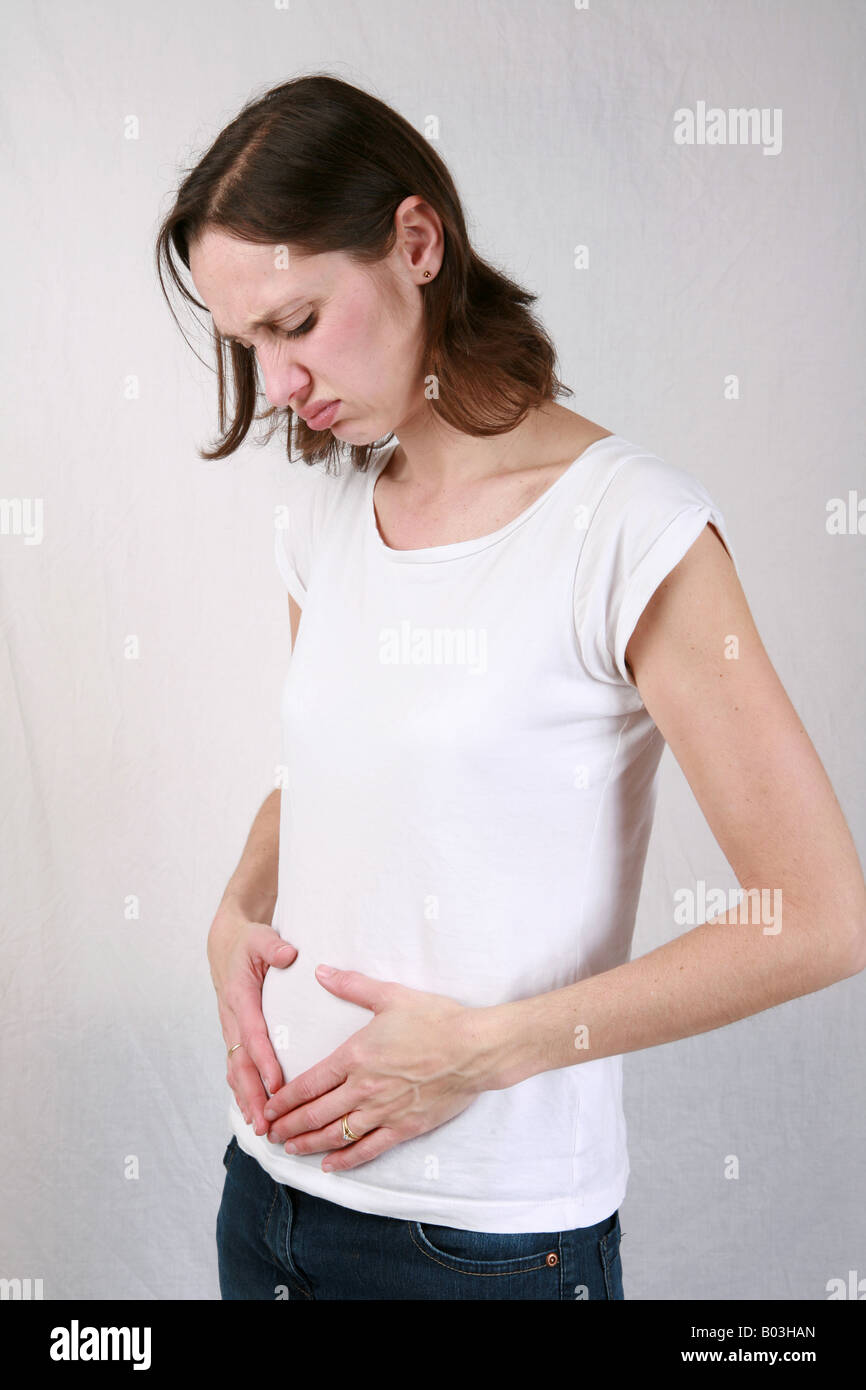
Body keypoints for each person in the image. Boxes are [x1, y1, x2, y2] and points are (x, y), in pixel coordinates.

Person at [155, 74, 866, 1302]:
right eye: (247, 345)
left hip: (481, 1248)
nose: (275, 385)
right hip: (265, 1203)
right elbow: (327, 773)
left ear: (416, 244)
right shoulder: (325, 519)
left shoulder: (628, 529)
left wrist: (481, 1054)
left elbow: (816, 915)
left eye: (298, 321)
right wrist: (235, 906)